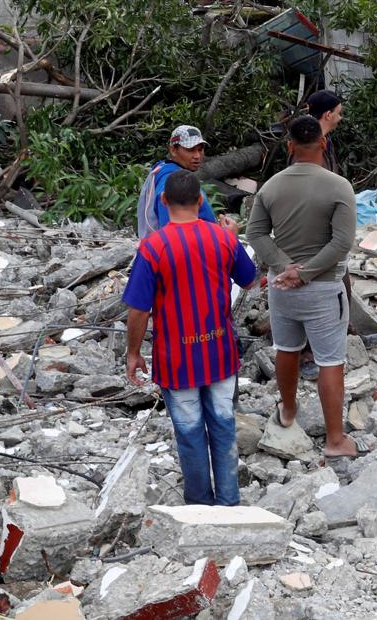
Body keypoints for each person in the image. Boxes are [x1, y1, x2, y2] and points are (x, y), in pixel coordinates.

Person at [122, 169, 258, 506]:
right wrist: (235, 235)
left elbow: (139, 309)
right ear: (201, 200)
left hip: (176, 357)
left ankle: (199, 504)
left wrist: (133, 352)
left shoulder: (153, 247)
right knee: (223, 423)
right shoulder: (223, 239)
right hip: (220, 352)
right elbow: (250, 280)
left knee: (189, 431)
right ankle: (228, 501)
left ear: (164, 201)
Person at [245, 115, 360, 458]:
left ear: (290, 145)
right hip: (323, 288)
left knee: (287, 348)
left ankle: (289, 410)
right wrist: (307, 273)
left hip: (283, 289)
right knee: (330, 360)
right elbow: (341, 244)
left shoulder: (271, 187)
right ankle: (335, 440)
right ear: (323, 143)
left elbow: (255, 234)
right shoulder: (339, 187)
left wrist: (284, 267)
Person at [136, 125, 239, 238]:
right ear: (173, 150)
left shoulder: (163, 170)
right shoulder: (172, 181)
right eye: (190, 150)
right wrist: (227, 237)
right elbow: (172, 233)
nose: (197, 156)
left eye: (200, 149)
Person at [305, 89, 344, 173]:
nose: (340, 118)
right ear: (328, 115)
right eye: (339, 113)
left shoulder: (325, 138)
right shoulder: (307, 145)